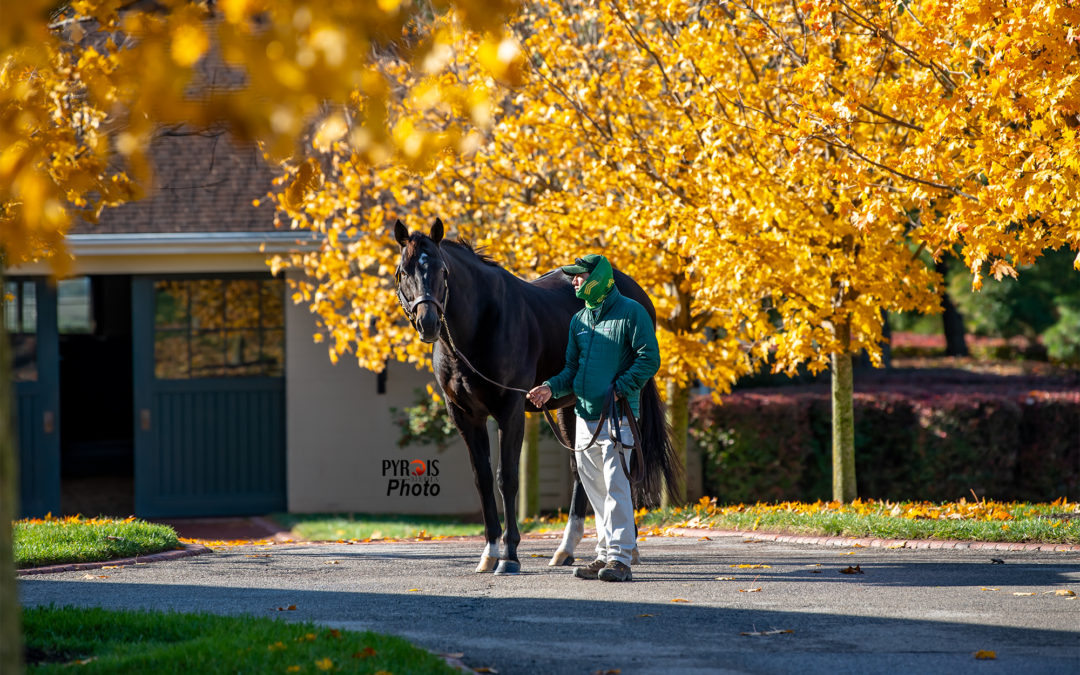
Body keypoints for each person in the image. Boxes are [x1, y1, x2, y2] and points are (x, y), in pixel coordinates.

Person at [527, 254, 660, 582]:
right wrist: (549, 388)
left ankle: (620, 559)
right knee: (596, 488)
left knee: (616, 486)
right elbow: (572, 369)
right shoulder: (580, 321)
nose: (573, 282)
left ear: (598, 278)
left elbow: (649, 359)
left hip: (618, 416)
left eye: (579, 276)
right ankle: (603, 554)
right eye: (572, 277)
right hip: (584, 416)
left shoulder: (632, 313)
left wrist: (621, 388)